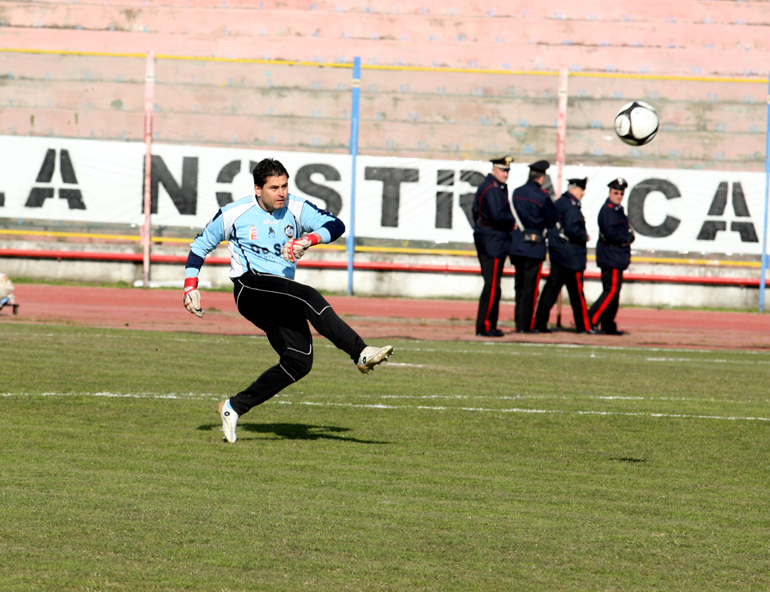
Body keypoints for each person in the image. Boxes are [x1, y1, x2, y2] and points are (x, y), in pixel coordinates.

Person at [182, 158, 394, 443]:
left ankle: (234, 407)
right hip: (250, 287)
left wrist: (310, 239)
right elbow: (200, 245)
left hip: (281, 293)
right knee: (308, 296)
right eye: (273, 188)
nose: (281, 193)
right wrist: (189, 286)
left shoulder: (296, 207)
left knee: (299, 361)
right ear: (258, 189)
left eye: (284, 186)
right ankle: (360, 353)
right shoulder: (235, 213)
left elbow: (336, 224)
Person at [533, 177, 591, 333]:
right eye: (581, 189)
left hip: (559, 253)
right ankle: (584, 326)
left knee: (551, 290)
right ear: (574, 189)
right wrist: (584, 235)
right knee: (577, 293)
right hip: (570, 256)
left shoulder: (560, 203)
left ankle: (539, 323)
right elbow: (572, 228)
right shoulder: (570, 206)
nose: (583, 193)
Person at [509, 160, 559, 333]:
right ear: (542, 177)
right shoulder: (542, 196)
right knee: (531, 289)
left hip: (517, 244)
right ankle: (526, 325)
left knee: (519, 286)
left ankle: (518, 322)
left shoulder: (516, 193)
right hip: (534, 246)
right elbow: (552, 221)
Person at [472, 155, 516, 337]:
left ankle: (489, 324)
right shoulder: (492, 188)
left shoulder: (495, 187)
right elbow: (497, 215)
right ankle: (485, 325)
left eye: (507, 171)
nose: (506, 174)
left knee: (493, 285)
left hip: (492, 239)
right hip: (493, 240)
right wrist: (511, 222)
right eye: (503, 170)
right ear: (495, 169)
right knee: (492, 285)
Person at [588, 177, 635, 335]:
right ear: (610, 192)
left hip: (617, 256)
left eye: (621, 193)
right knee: (611, 290)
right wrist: (625, 238)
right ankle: (592, 319)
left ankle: (607, 323)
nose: (619, 196)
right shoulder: (608, 210)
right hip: (611, 255)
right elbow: (610, 233)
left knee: (614, 291)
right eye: (616, 192)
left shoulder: (617, 210)